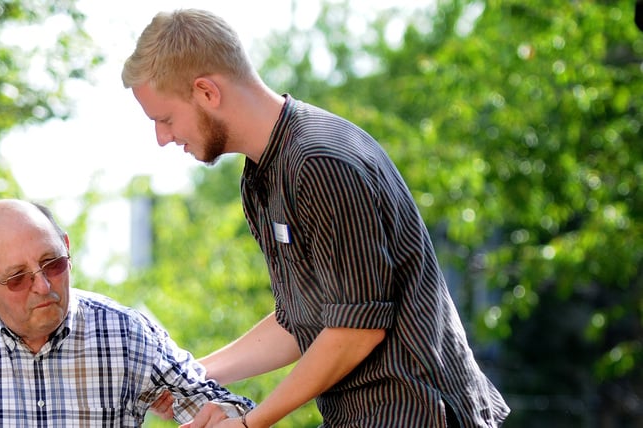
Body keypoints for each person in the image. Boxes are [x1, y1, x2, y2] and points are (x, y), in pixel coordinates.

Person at [122, 9, 510, 428]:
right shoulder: (263, 177)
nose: (162, 138)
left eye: (165, 119)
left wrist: (250, 423)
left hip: (418, 415)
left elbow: (355, 330)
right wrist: (190, 377)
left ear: (206, 92)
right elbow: (302, 321)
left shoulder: (319, 160)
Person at [0, 199, 253, 427]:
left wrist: (221, 419)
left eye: (53, 264)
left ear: (67, 248)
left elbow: (224, 410)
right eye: (17, 278)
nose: (43, 286)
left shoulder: (124, 334)